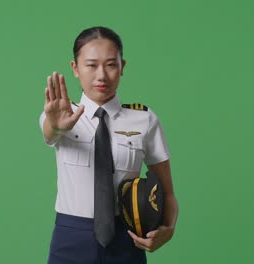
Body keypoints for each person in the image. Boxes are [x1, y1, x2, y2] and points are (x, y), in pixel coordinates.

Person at [39, 26, 178, 264]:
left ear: (122, 66)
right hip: (71, 238)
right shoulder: (60, 114)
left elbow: (168, 191)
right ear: (75, 68)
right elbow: (50, 132)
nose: (101, 75)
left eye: (111, 64)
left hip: (127, 238)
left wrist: (168, 228)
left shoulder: (144, 119)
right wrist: (57, 125)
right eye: (91, 65)